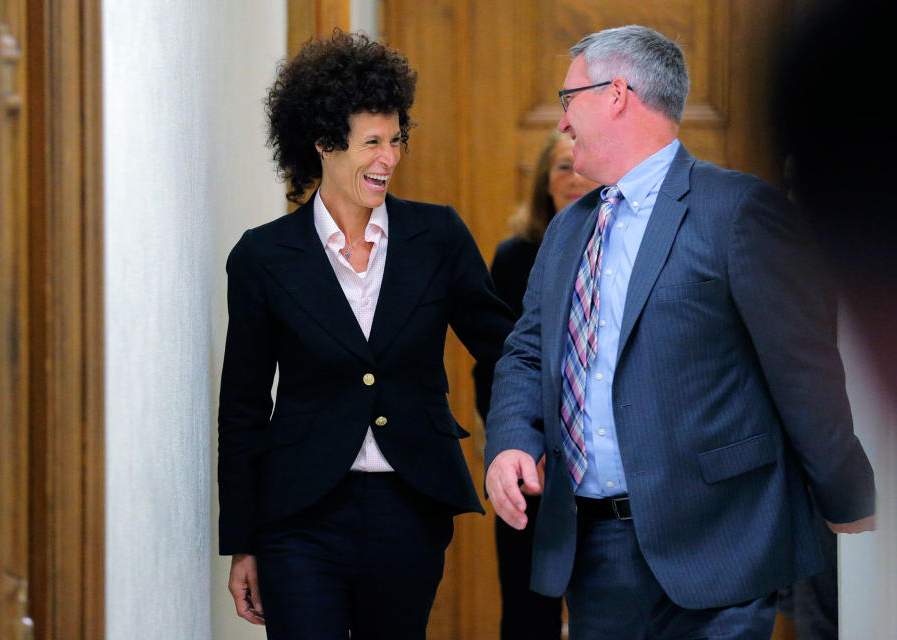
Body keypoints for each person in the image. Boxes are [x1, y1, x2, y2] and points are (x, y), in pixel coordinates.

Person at [483, 25, 876, 640]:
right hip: (595, 553)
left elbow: (802, 369)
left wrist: (850, 497)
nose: (562, 123)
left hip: (722, 544)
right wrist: (510, 441)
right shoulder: (565, 232)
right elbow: (527, 354)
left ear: (616, 94)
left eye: (568, 101)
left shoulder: (738, 212)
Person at [217, 30, 515, 639]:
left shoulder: (439, 237)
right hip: (300, 517)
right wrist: (241, 543)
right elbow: (243, 406)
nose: (389, 158)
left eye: (396, 140)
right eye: (371, 143)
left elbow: (506, 350)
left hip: (409, 507)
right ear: (324, 144)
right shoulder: (263, 257)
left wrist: (520, 435)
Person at [478, 130, 597, 640]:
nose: (573, 177)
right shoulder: (514, 256)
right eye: (561, 168)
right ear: (545, 184)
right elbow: (499, 363)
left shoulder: (613, 244)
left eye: (580, 165)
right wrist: (518, 444)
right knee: (528, 611)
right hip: (530, 467)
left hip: (599, 461)